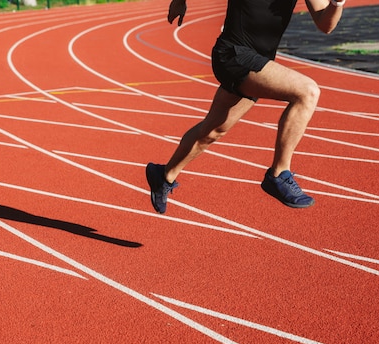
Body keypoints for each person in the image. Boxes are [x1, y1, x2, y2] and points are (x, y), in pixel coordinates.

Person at [146, 0, 345, 214]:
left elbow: (326, 23)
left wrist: (337, 3)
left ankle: (164, 175)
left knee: (213, 130)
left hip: (257, 61)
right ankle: (279, 174)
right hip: (233, 55)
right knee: (307, 92)